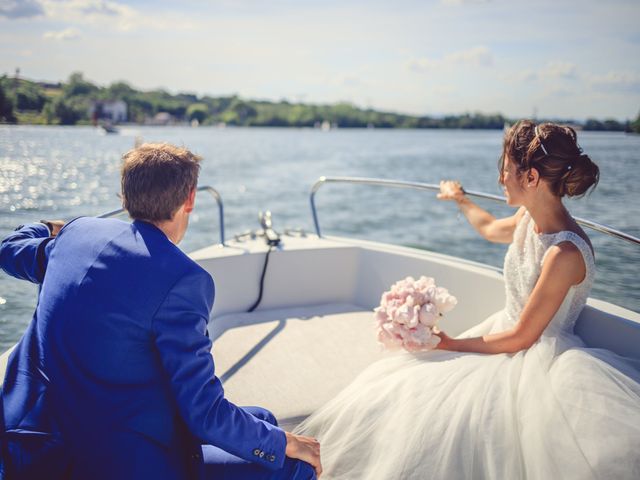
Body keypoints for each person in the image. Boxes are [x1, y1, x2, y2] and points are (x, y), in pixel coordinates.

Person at [294, 120, 640, 479]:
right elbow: (490, 228)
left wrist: (451, 343)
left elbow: (523, 337)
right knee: (402, 387)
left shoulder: (564, 254)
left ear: (532, 178)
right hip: (503, 334)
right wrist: (460, 199)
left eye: (506, 171)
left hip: (531, 355)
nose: (501, 179)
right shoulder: (527, 218)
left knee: (442, 407)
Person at [0, 143, 321, 479]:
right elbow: (204, 414)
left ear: (124, 198)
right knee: (295, 466)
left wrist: (54, 229)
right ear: (190, 199)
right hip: (117, 463)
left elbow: (9, 249)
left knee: (263, 420)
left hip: (29, 442)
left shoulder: (75, 236)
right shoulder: (183, 280)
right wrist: (285, 444)